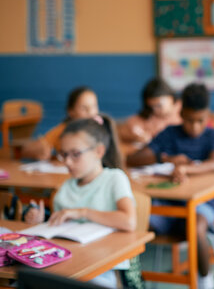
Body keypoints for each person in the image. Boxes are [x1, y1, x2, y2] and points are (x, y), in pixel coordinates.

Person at [126, 83, 214, 289]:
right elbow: (134, 159)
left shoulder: (213, 135)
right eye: (189, 120)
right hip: (168, 204)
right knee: (133, 222)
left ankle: (205, 281)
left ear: (208, 115)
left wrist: (187, 169)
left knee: (196, 227)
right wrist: (166, 158)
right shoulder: (170, 133)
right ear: (180, 113)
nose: (195, 127)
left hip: (201, 204)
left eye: (200, 120)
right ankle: (129, 280)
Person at [24, 118, 136, 288]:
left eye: (75, 154)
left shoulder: (114, 179)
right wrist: (42, 221)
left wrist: (83, 212)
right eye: (63, 154)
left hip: (103, 267)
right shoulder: (66, 187)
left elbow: (129, 221)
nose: (68, 162)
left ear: (98, 151)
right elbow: (61, 231)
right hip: (68, 263)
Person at [21, 86, 99, 161]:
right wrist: (38, 151)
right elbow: (26, 151)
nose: (91, 112)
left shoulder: (101, 129)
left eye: (94, 106)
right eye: (84, 108)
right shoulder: (62, 130)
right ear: (71, 111)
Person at [118, 78, 182, 144]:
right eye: (151, 106)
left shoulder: (184, 111)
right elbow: (124, 129)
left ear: (171, 98)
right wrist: (134, 136)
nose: (155, 110)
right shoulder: (148, 113)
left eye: (159, 105)